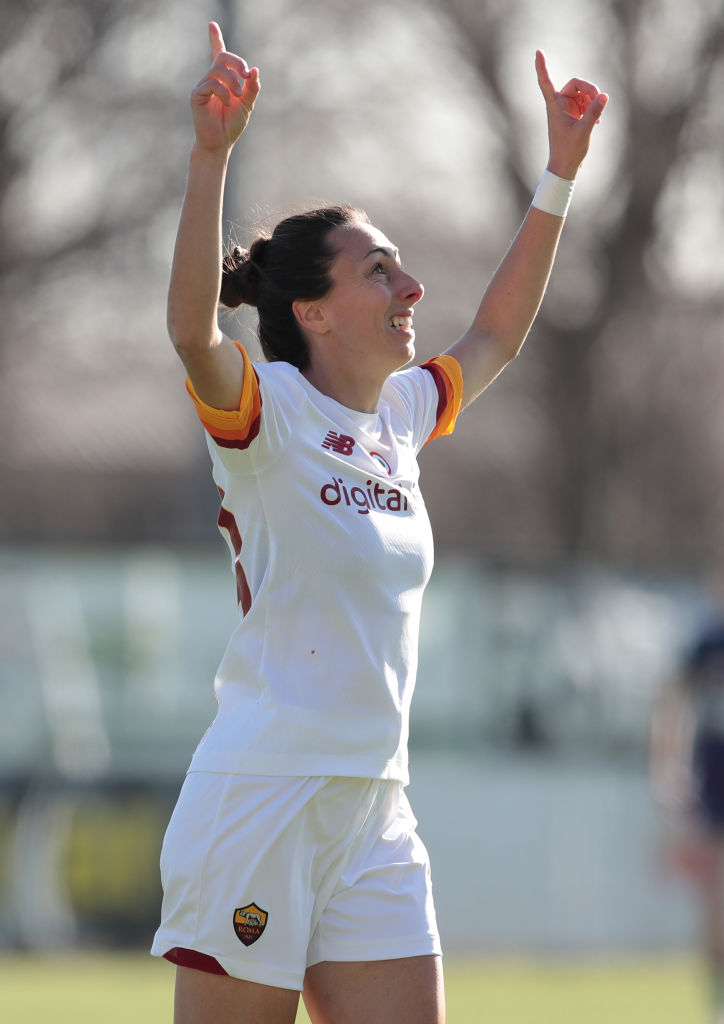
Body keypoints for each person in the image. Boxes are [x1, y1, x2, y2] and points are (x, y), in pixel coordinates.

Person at [150, 21, 608, 1024]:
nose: (412, 290)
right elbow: (191, 330)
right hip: (265, 794)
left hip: (373, 803)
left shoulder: (398, 417)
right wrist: (208, 159)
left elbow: (493, 334)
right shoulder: (265, 412)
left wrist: (558, 178)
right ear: (311, 313)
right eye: (380, 273)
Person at [650, 619, 724, 1024]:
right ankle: (718, 1001)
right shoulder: (707, 641)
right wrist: (666, 764)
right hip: (714, 790)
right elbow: (673, 702)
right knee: (714, 903)